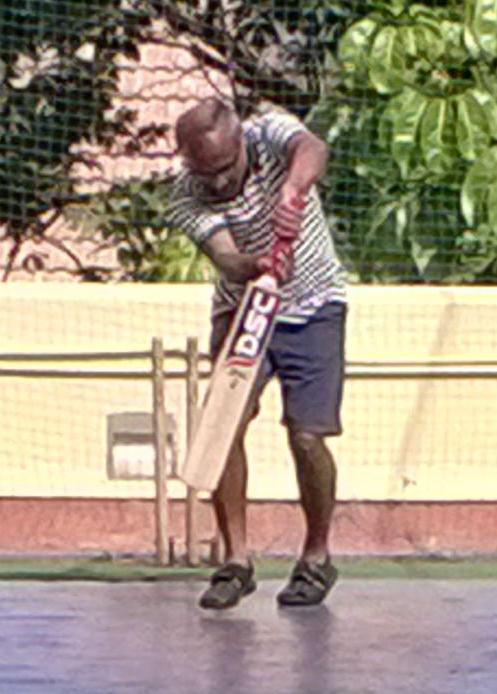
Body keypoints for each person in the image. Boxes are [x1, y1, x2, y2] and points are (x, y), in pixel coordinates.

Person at [166, 98, 346, 609]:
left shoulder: (270, 132)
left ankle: (316, 558)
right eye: (205, 173)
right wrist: (255, 265)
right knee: (224, 425)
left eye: (224, 170)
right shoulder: (186, 196)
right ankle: (236, 562)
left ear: (241, 141)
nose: (217, 183)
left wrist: (293, 188)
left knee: (308, 437)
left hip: (315, 306)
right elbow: (225, 257)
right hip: (245, 307)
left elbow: (313, 148)